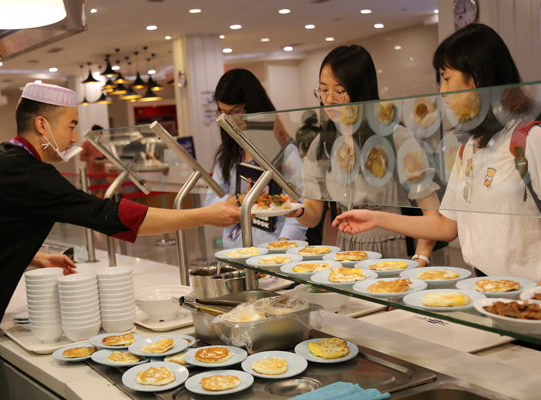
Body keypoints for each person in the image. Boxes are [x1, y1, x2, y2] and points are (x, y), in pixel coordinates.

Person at [0, 82, 240, 400]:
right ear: (42, 124)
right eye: (70, 125)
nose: (74, 138)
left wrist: (32, 257)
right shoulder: (26, 172)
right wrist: (204, 215)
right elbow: (110, 216)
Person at [333, 24, 541, 282]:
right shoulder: (470, 148)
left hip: (530, 293)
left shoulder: (529, 139)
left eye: (446, 77)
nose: (442, 91)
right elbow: (445, 226)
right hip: (486, 286)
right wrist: (375, 218)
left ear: (476, 77)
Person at [287, 45, 439, 266]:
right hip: (346, 251)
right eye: (323, 90)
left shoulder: (395, 137)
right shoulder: (322, 144)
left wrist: (421, 258)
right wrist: (295, 209)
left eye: (339, 91)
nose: (329, 100)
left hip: (392, 248)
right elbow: (313, 216)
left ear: (360, 91)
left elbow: (431, 211)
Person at [205, 68, 308, 248]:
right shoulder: (227, 153)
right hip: (236, 251)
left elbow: (299, 208)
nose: (230, 120)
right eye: (223, 113)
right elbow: (211, 202)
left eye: (236, 111)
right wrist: (242, 199)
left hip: (275, 252)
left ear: (253, 106)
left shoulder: (284, 152)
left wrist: (280, 249)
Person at [80, 124, 110, 196]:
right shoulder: (86, 143)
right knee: (94, 192)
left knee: (107, 191)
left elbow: (105, 156)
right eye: (100, 133)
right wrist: (90, 159)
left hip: (103, 171)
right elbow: (81, 157)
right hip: (93, 172)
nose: (101, 135)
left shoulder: (101, 143)